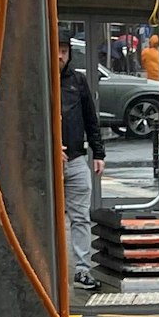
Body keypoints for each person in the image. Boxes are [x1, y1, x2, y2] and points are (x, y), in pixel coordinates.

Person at [56, 39, 107, 290]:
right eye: (55, 50)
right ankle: (46, 268)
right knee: (46, 217)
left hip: (75, 158)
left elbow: (90, 118)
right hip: (46, 162)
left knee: (80, 217)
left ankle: (82, 270)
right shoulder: (36, 81)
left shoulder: (77, 81)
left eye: (63, 52)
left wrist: (98, 153)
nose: (59, 56)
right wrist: (50, 146)